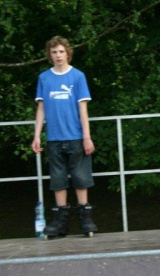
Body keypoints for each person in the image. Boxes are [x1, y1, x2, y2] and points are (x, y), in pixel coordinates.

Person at [31, 36, 98, 238]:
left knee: (81, 177)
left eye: (61, 51)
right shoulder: (45, 78)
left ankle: (86, 219)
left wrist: (87, 137)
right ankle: (60, 223)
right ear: (49, 55)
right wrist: (36, 136)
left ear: (67, 53)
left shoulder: (77, 76)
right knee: (58, 179)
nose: (58, 55)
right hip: (53, 138)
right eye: (54, 52)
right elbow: (41, 108)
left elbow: (83, 109)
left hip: (75, 136)